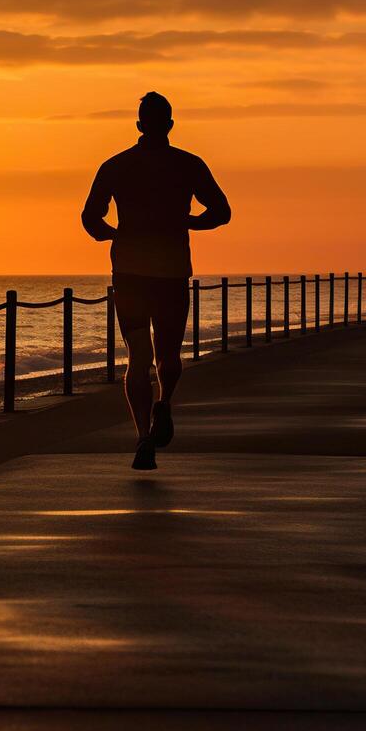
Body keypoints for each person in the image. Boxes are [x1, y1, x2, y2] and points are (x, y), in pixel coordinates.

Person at [81, 92, 231, 470]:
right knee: (167, 355)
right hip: (172, 271)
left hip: (129, 271)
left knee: (138, 357)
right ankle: (163, 403)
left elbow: (90, 217)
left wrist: (112, 234)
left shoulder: (116, 165)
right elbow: (222, 212)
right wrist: (188, 221)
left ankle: (142, 435)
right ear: (169, 125)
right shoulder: (188, 164)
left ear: (138, 126)